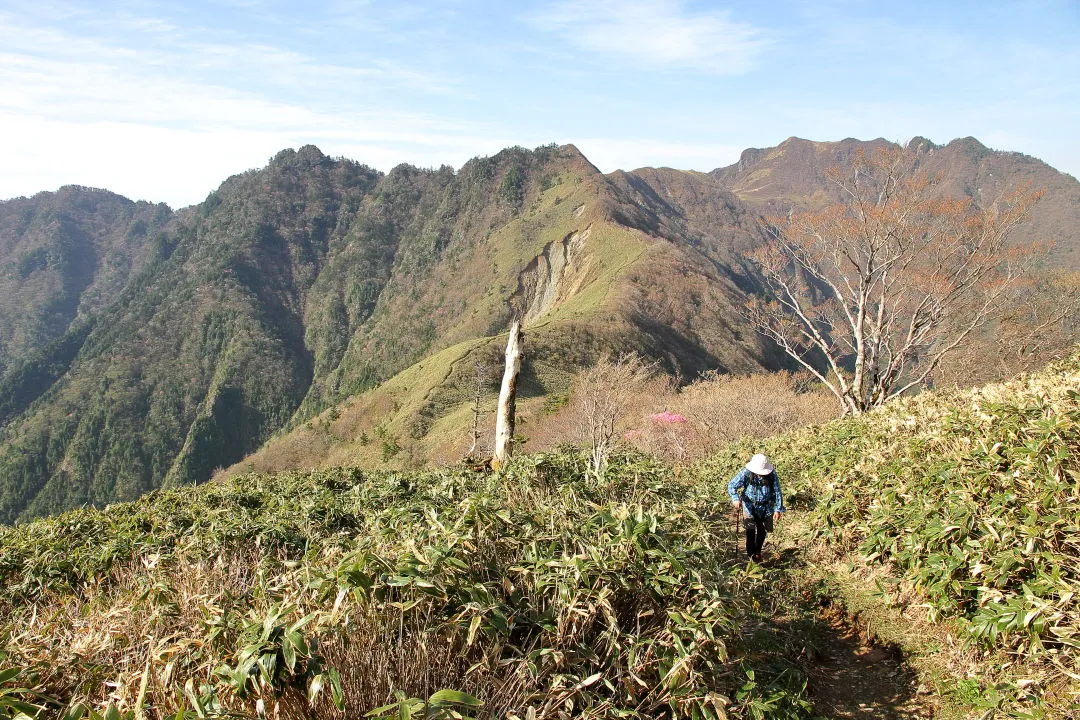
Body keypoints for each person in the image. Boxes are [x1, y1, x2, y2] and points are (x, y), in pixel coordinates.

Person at [727, 453, 784, 563]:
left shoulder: (771, 475)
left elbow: (777, 491)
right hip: (749, 506)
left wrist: (778, 508)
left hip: (766, 506)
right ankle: (752, 556)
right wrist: (735, 498)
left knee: (763, 531)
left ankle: (758, 551)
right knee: (750, 531)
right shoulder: (747, 473)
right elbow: (732, 485)